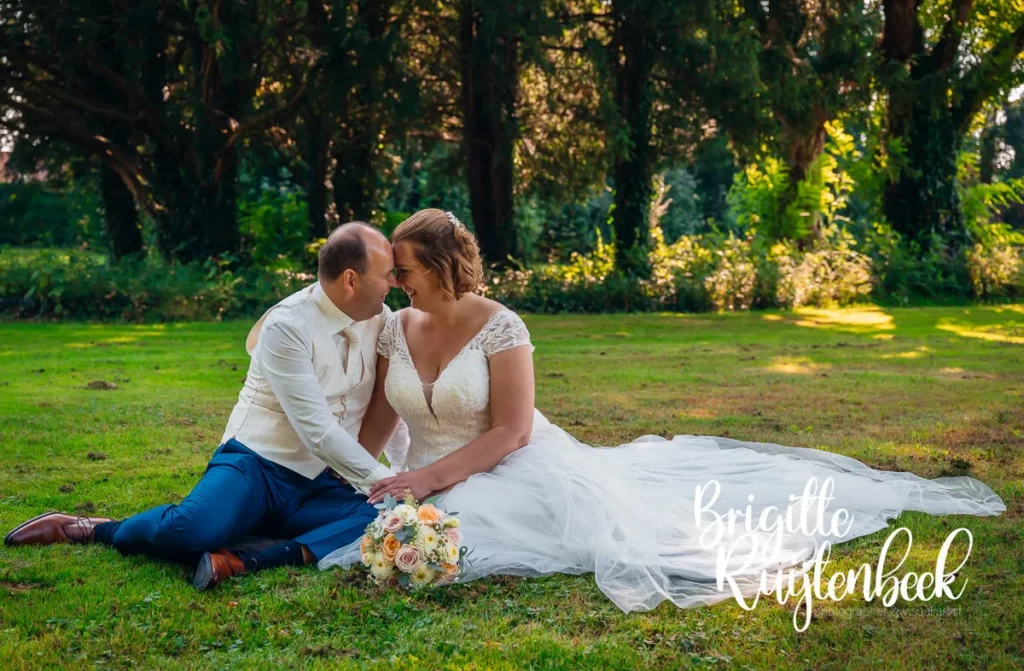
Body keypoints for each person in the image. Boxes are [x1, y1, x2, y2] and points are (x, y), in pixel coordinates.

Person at [318, 208, 1006, 613]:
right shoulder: (393, 328)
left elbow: (514, 430)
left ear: (442, 267)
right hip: (423, 473)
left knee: (504, 534)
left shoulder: (502, 327)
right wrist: (352, 471)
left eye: (404, 270)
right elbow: (379, 421)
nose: (394, 282)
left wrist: (429, 480)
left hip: (505, 466)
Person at [5, 222, 407, 590]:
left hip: (318, 482)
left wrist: (400, 481)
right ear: (351, 280)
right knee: (190, 531)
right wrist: (385, 481)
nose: (394, 282)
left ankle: (248, 556)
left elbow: (392, 401)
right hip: (257, 464)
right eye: (387, 274)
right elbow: (316, 430)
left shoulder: (379, 318)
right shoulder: (288, 325)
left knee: (387, 520)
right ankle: (99, 529)